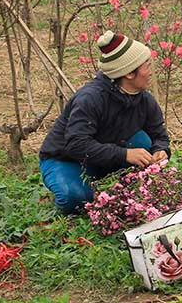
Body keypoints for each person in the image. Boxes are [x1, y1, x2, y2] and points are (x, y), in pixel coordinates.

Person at [39, 30, 171, 215]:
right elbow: (76, 144)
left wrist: (161, 150)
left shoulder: (145, 100)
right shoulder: (90, 99)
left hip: (106, 150)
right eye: (146, 66)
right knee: (75, 199)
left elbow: (159, 135)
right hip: (67, 158)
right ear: (129, 74)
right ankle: (76, 183)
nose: (151, 72)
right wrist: (124, 155)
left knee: (145, 143)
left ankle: (110, 178)